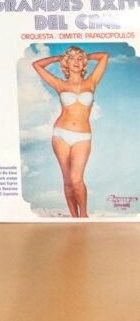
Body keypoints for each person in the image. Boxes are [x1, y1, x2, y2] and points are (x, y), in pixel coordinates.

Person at [32, 46, 109, 218]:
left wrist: (84, 56)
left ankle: (84, 215)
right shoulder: (59, 84)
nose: (76, 62)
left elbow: (104, 55)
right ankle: (74, 217)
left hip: (82, 137)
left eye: (79, 60)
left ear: (84, 64)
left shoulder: (91, 82)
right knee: (67, 181)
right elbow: (37, 65)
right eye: (72, 59)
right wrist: (60, 58)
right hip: (60, 134)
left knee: (76, 180)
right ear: (66, 63)